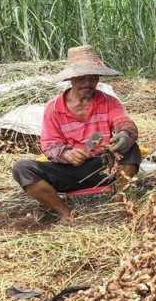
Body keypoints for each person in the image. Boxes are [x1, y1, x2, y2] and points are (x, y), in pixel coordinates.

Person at [12, 45, 140, 220]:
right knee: (22, 168)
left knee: (131, 148)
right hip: (67, 172)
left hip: (102, 167)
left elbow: (124, 122)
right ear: (71, 78)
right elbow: (49, 145)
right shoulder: (54, 108)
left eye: (93, 78)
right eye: (81, 79)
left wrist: (125, 135)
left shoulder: (109, 102)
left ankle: (119, 202)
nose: (87, 84)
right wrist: (66, 154)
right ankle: (65, 212)